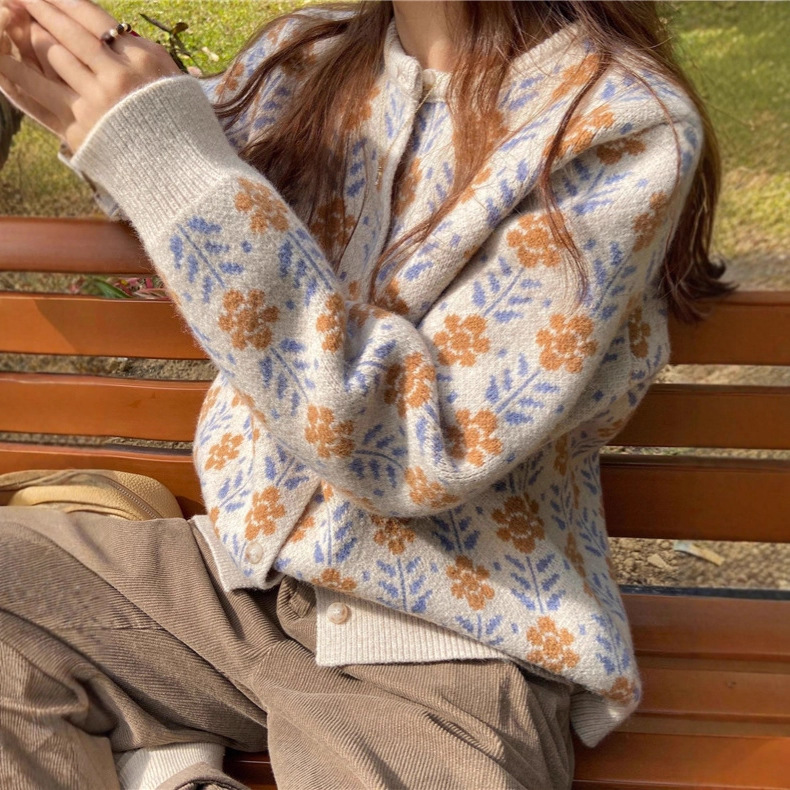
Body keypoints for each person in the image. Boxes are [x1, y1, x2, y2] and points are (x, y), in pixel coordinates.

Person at [0, 1, 731, 788]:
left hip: (446, 646)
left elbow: (415, 447)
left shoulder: (620, 126)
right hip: (239, 592)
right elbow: (190, 196)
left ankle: (158, 764)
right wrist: (92, 95)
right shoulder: (308, 55)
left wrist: (163, 152)